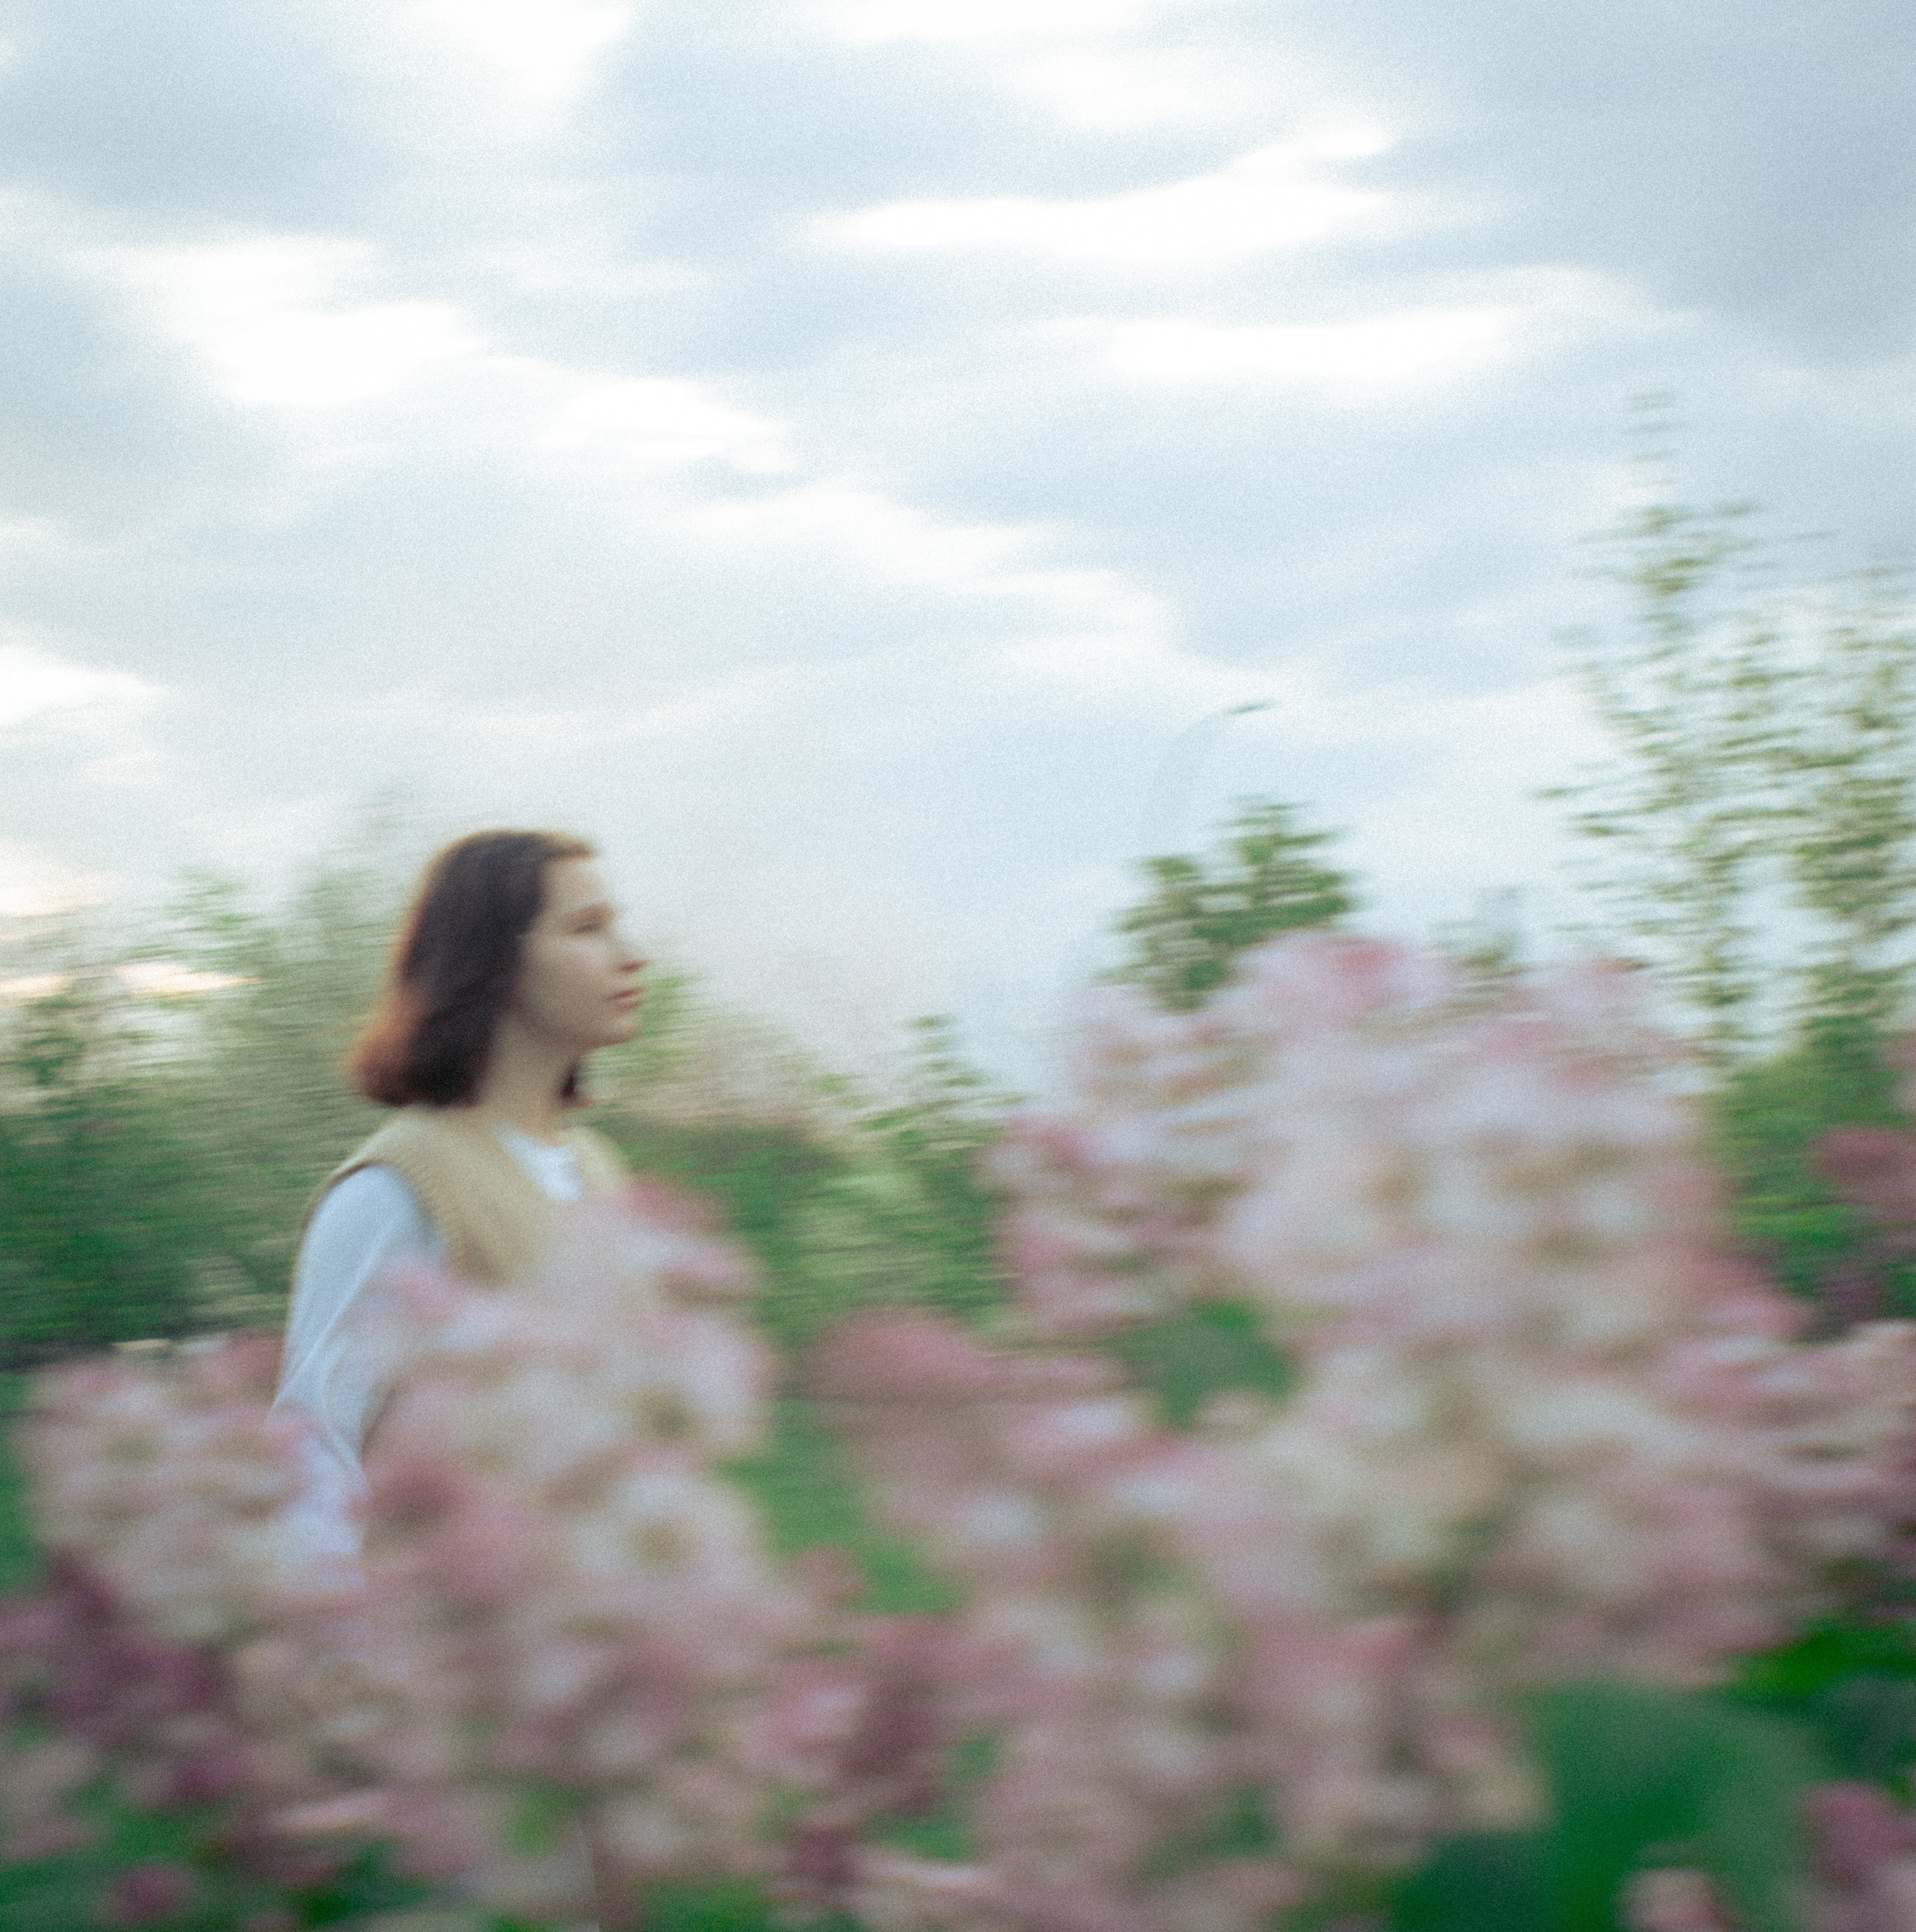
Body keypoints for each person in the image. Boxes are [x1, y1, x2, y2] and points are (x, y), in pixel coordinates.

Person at [272, 829, 647, 1570]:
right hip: (451, 1646)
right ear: (493, 963)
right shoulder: (399, 1186)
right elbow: (315, 1450)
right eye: (587, 928)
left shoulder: (601, 1170)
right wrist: (334, 1659)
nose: (631, 953)